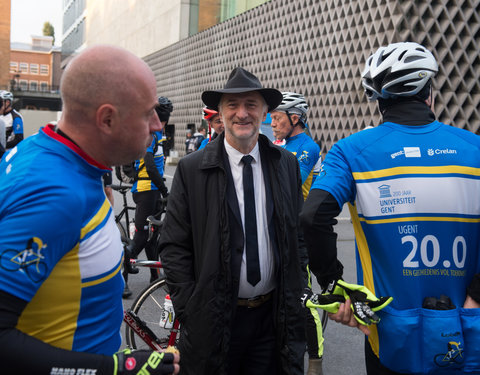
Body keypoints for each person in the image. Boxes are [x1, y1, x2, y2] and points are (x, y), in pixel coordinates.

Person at [300, 42, 480, 374]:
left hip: (389, 332)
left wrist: (335, 286)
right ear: (429, 92)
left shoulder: (351, 152)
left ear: (379, 99)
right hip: (469, 324)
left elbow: (312, 216)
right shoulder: (474, 148)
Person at [0, 45, 179, 375]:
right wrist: (114, 368)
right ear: (107, 119)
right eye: (147, 113)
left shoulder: (61, 155)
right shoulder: (54, 192)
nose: (157, 125)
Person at [159, 67, 307, 375]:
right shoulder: (192, 169)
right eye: (232, 105)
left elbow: (297, 237)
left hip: (272, 319)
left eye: (251, 104)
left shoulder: (286, 166)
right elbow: (174, 245)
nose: (242, 113)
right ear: (221, 113)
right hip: (214, 322)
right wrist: (192, 309)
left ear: (265, 111)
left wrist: (297, 294)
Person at [270, 92, 324, 375]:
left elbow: (292, 182)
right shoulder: (279, 144)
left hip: (296, 231)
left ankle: (315, 357)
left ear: (295, 119)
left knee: (303, 297)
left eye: (277, 118)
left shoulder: (307, 147)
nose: (273, 123)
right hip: (274, 227)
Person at [123, 96, 172, 298]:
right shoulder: (151, 135)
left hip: (150, 189)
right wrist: (164, 189)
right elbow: (151, 167)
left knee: (153, 237)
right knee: (142, 236)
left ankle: (155, 276)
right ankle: (122, 276)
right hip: (147, 190)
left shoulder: (156, 134)